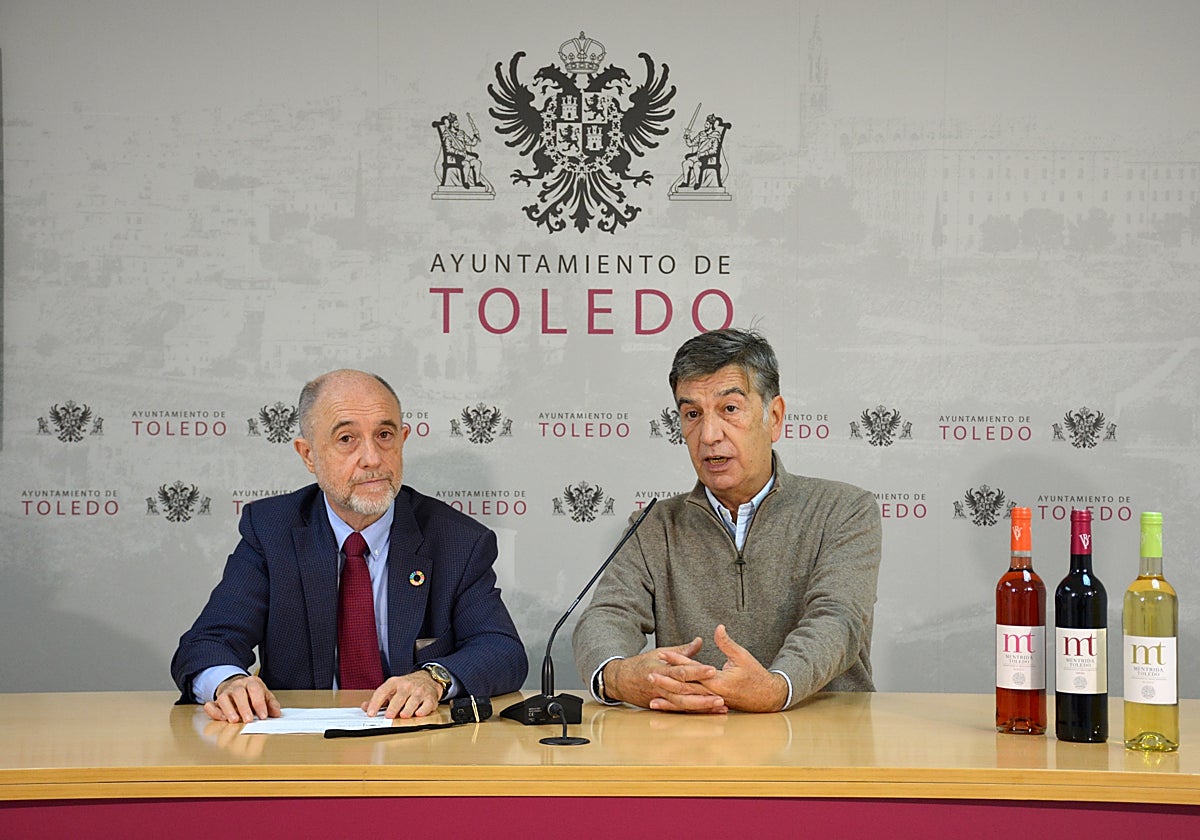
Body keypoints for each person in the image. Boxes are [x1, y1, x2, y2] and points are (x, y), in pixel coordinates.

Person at [171, 369, 527, 722]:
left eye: (384, 435)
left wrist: (433, 679)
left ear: (402, 440)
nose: (372, 458)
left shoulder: (457, 540)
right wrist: (229, 682)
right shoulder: (272, 531)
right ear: (308, 455)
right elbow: (207, 643)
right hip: (301, 751)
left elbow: (502, 650)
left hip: (414, 746)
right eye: (346, 439)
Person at [572, 329, 882, 713]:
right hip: (694, 747)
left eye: (730, 409)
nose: (709, 435)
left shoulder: (843, 509)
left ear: (774, 417)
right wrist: (617, 677)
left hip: (821, 743)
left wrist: (776, 686)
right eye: (692, 414)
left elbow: (838, 620)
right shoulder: (653, 525)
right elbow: (606, 616)